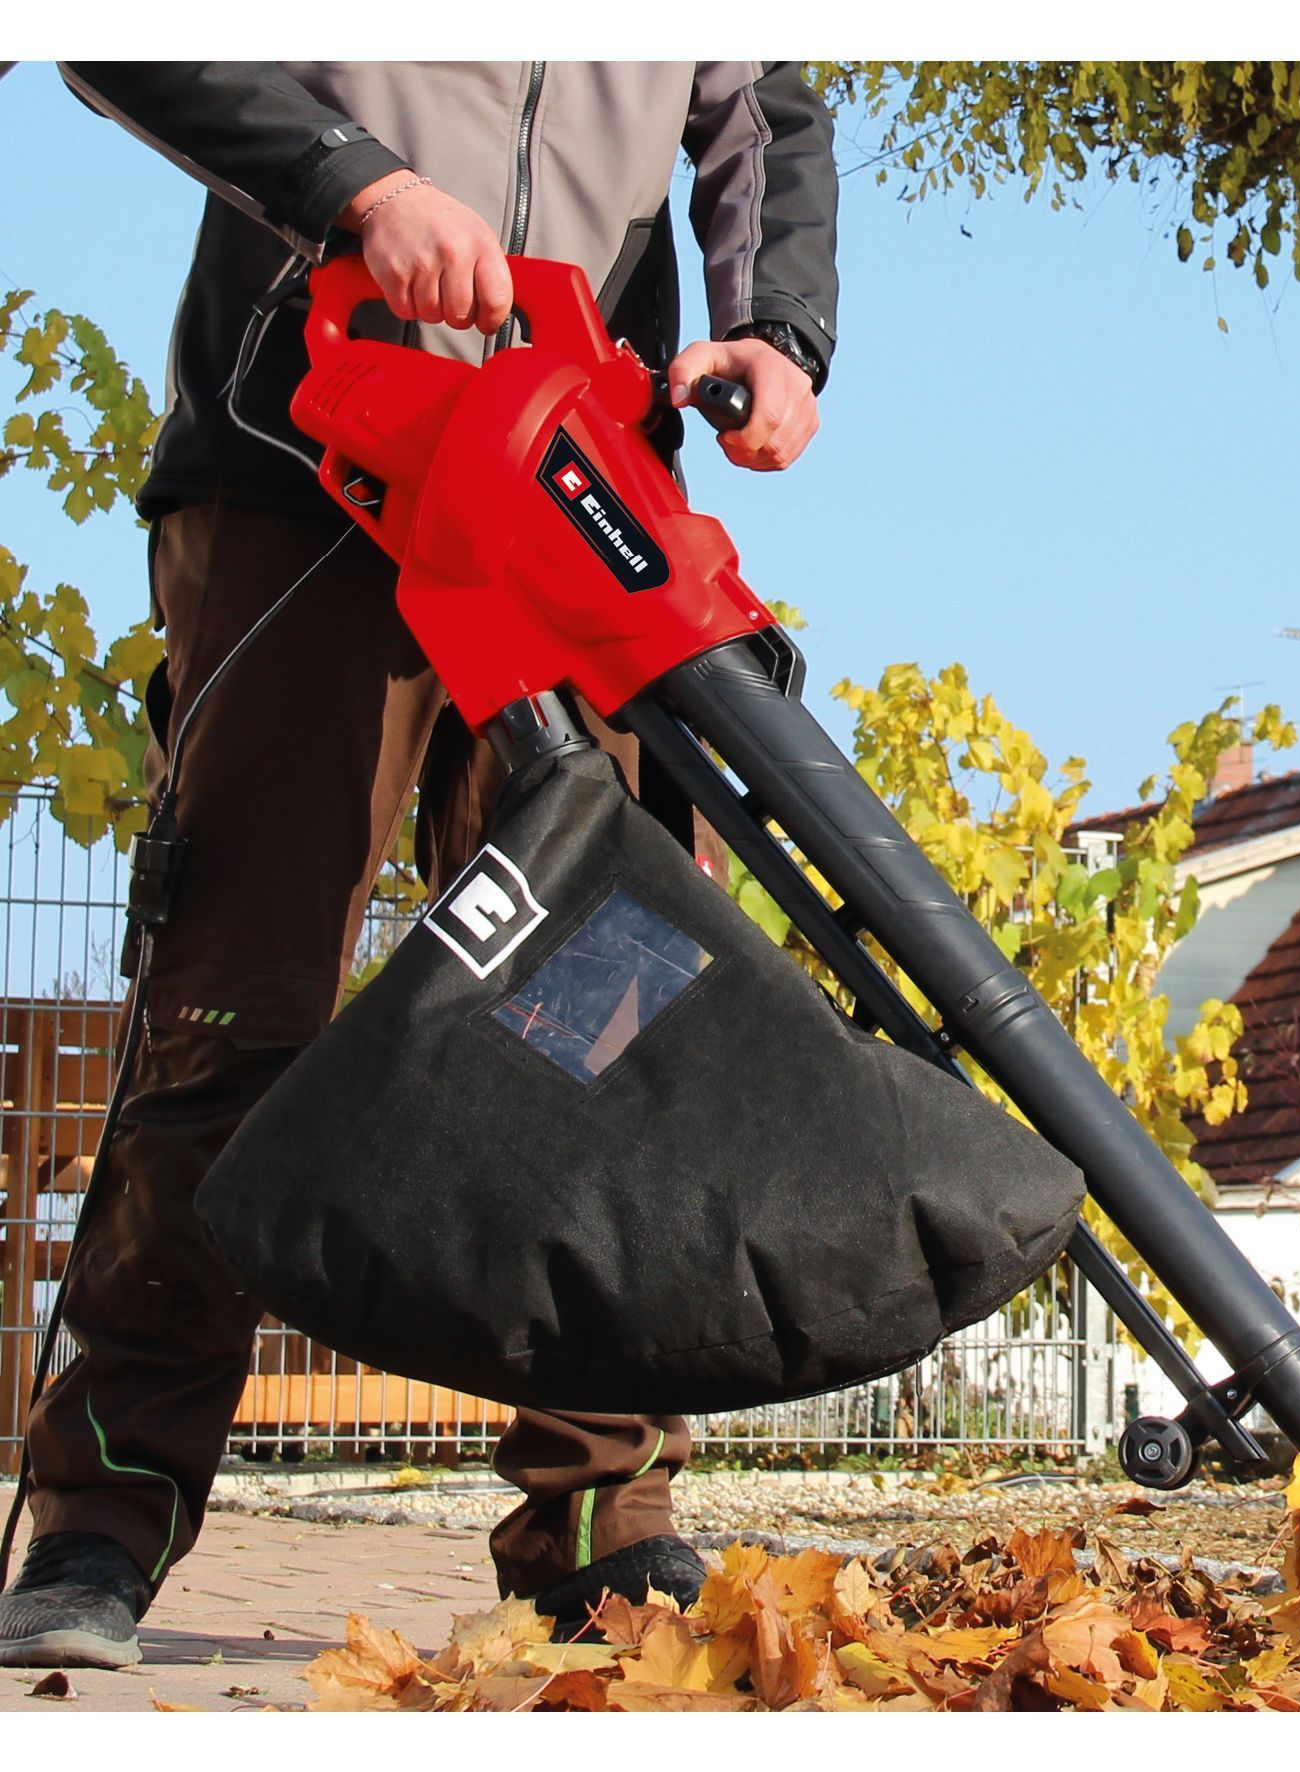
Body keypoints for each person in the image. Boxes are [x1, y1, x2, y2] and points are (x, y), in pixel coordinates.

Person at [0, 61, 838, 1671]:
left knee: (614, 1014)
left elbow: (767, 113)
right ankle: (104, 1516)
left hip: (577, 474)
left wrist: (775, 330)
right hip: (309, 455)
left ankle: (603, 1519)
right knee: (238, 1006)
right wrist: (358, 187)